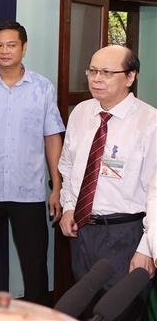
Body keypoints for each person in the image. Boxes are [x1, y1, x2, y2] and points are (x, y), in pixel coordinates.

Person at [0, 21, 64, 305]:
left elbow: (52, 137)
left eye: (11, 45)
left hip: (29, 193)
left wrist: (57, 187)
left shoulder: (42, 87)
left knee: (35, 267)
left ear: (24, 47)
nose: (4, 51)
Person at [59, 45, 156, 318]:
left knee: (122, 312)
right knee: (85, 308)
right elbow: (68, 166)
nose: (96, 79)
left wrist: (147, 248)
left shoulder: (150, 122)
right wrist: (69, 206)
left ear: (130, 77)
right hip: (83, 232)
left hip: (127, 234)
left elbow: (156, 192)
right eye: (92, 71)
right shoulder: (81, 112)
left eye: (106, 72)